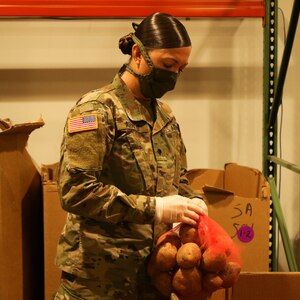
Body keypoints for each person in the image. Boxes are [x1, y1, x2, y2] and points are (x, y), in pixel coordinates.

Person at [54, 12, 207, 300]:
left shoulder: (164, 116)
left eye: (181, 68)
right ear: (138, 53)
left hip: (152, 277)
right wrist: (156, 209)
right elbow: (75, 191)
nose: (173, 76)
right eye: (167, 65)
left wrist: (192, 200)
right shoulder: (97, 110)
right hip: (97, 282)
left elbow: (178, 179)